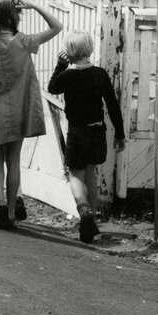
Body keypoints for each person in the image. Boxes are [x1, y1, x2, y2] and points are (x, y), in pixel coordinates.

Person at [0, 0, 62, 229]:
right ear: (13, 16)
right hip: (19, 110)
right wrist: (34, 5)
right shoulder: (24, 42)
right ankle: (11, 211)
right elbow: (57, 27)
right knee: (13, 161)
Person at [48, 30, 126, 243]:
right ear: (90, 49)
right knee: (91, 173)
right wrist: (119, 134)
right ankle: (92, 221)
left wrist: (60, 65)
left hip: (77, 131)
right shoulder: (100, 74)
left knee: (75, 175)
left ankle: (84, 212)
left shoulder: (67, 76)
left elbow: (52, 88)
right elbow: (112, 105)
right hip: (97, 131)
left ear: (68, 52)